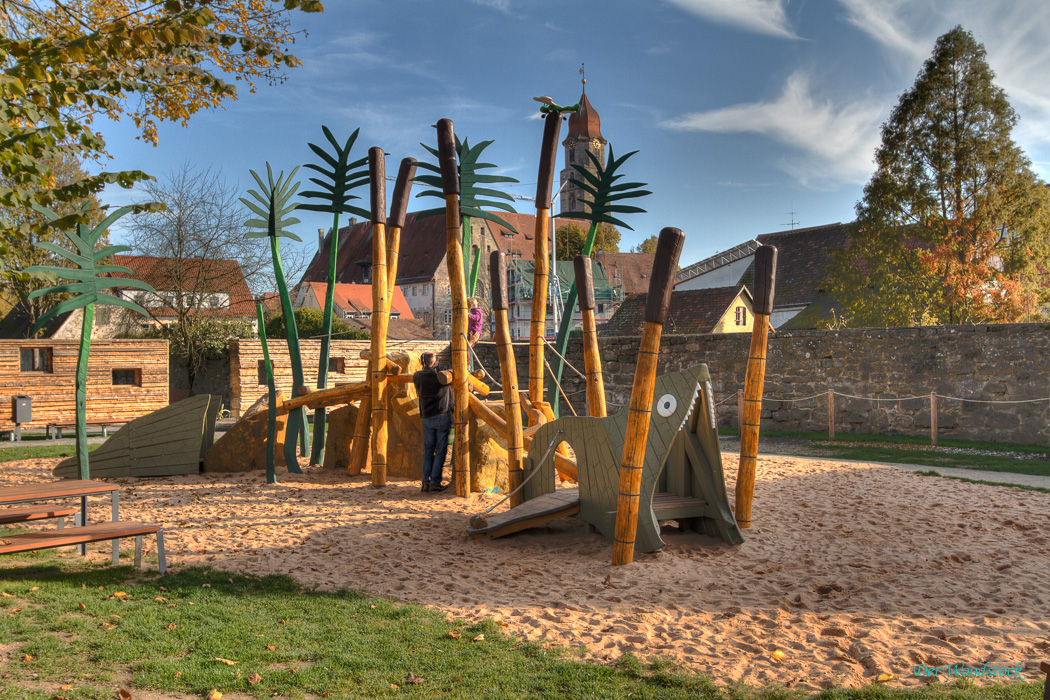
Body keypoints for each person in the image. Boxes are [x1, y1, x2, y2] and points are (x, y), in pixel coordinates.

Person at [413, 352, 452, 492]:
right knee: (441, 450)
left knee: (428, 450)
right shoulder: (441, 376)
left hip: (426, 418)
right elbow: (450, 370)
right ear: (434, 362)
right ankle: (435, 481)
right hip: (441, 416)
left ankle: (425, 481)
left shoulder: (417, 376)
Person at [466, 297, 483, 370]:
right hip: (473, 332)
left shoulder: (477, 312)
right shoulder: (476, 311)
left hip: (475, 333)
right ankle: (467, 364)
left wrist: (467, 315)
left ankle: (467, 364)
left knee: (466, 349)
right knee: (467, 348)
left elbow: (476, 318)